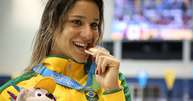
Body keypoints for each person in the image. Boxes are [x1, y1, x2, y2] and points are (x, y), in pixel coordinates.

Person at [0, 0, 131, 100]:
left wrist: (112, 91)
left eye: (94, 25)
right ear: (52, 25)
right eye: (77, 22)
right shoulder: (15, 91)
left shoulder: (114, 82)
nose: (89, 35)